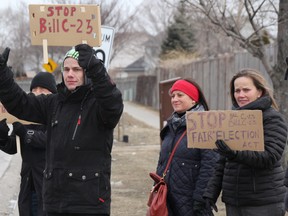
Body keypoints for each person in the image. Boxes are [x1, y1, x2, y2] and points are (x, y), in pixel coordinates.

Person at [0, 44, 123, 215]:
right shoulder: (54, 103)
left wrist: (96, 68)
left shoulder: (98, 105)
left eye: (76, 69)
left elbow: (114, 104)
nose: (70, 74)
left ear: (86, 72)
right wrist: (3, 75)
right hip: (54, 204)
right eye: (66, 69)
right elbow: (20, 103)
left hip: (88, 205)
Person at [204, 68, 288, 216]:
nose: (240, 95)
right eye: (237, 91)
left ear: (259, 92)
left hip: (264, 203)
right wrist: (211, 193)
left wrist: (234, 153)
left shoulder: (272, 118)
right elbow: (222, 163)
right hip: (234, 202)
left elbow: (270, 157)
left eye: (246, 90)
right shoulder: (231, 119)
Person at [151, 78, 219, 216]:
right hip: (167, 200)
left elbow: (210, 166)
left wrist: (200, 198)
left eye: (180, 95)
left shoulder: (205, 125)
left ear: (194, 99)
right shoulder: (170, 126)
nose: (175, 99)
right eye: (173, 95)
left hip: (191, 203)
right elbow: (163, 161)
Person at [0, 72, 57, 216]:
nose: (37, 93)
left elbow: (52, 139)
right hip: (28, 185)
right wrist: (2, 131)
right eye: (34, 89)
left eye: (42, 90)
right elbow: (12, 146)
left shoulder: (57, 112)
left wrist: (26, 134)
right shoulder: (26, 114)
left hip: (49, 186)